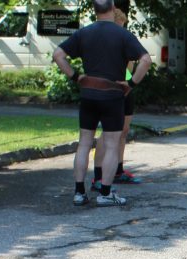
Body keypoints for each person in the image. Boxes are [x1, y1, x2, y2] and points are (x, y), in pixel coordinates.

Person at [52, 0, 151, 207]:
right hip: (113, 96)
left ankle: (79, 192)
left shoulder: (84, 33)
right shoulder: (122, 34)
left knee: (84, 143)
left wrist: (76, 77)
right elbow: (145, 60)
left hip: (88, 94)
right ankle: (105, 193)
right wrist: (131, 83)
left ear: (94, 9)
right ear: (113, 8)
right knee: (112, 145)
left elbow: (58, 55)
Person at [91, 7, 142, 194]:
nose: (121, 30)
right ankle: (98, 176)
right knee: (107, 133)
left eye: (123, 26)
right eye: (118, 26)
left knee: (123, 131)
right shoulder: (101, 42)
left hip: (126, 87)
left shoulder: (124, 39)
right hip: (110, 90)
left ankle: (118, 171)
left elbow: (131, 66)